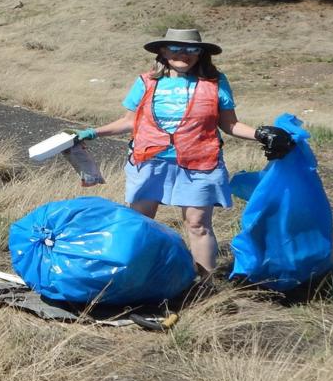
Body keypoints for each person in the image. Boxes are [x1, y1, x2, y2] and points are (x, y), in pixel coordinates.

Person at [75, 28, 294, 281]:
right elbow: (128, 122)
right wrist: (90, 133)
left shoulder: (216, 83)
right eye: (176, 48)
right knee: (139, 223)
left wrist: (261, 134)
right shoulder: (146, 81)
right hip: (149, 162)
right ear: (163, 51)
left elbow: (230, 124)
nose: (184, 54)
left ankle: (204, 285)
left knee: (198, 224)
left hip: (200, 164)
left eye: (192, 49)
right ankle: (134, 279)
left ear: (201, 54)